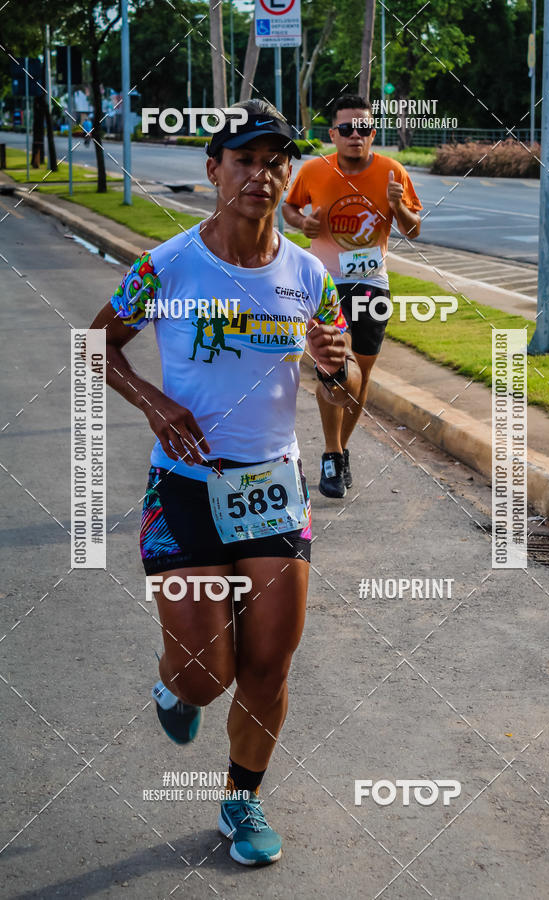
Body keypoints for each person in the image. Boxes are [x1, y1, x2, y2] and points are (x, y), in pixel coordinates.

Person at [89, 99, 360, 867]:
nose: (261, 174)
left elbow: (346, 400)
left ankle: (242, 803)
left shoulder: (310, 275)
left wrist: (336, 370)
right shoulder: (167, 264)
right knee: (209, 675)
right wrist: (156, 401)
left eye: (275, 161)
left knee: (269, 666)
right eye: (244, 159)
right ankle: (176, 689)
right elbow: (96, 344)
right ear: (214, 170)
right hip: (185, 490)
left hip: (273, 488)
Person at [283, 94, 423, 498]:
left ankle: (339, 451)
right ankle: (331, 453)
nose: (355, 136)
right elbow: (289, 210)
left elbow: (414, 230)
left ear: (372, 133)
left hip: (371, 284)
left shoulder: (392, 172)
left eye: (363, 129)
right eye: (346, 129)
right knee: (332, 367)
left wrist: (399, 209)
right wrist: (304, 223)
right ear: (333, 134)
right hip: (324, 283)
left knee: (360, 374)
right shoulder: (314, 170)